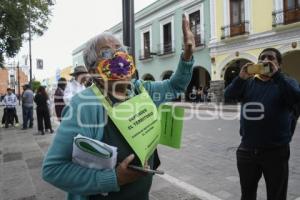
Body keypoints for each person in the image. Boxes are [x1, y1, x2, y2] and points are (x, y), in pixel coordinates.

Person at [42, 14, 195, 200]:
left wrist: (187, 54)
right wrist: (114, 178)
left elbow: (174, 85)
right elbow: (54, 169)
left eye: (120, 50)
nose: (118, 57)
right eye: (106, 53)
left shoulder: (140, 90)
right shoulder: (84, 105)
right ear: (92, 71)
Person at [224, 48, 300, 200]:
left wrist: (277, 76)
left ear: (279, 64)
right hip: (247, 150)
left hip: (276, 152)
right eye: (262, 58)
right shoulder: (248, 83)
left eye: (270, 58)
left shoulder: (287, 81)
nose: (265, 60)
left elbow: (296, 99)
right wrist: (241, 78)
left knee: (276, 195)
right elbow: (228, 96)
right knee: (247, 194)